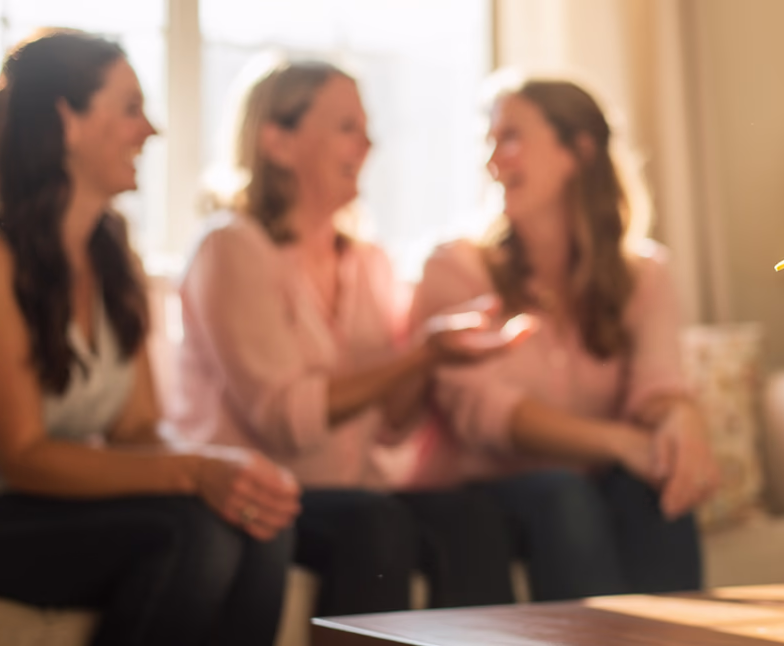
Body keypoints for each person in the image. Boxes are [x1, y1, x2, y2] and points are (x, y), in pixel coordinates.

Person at [0, 29, 297, 646]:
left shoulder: (115, 256)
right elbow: (22, 454)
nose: (152, 131)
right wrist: (194, 472)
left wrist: (225, 474)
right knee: (187, 531)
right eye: (131, 109)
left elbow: (136, 430)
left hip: (21, 507)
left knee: (255, 523)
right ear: (68, 120)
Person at [171, 58, 524, 615]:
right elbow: (285, 419)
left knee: (470, 516)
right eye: (347, 127)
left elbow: (388, 425)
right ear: (278, 142)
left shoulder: (370, 261)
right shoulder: (230, 249)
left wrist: (438, 358)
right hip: (265, 495)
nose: (368, 145)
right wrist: (421, 354)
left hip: (356, 492)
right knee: (373, 521)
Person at [401, 77, 719, 601]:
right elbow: (484, 412)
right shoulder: (456, 266)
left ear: (578, 151)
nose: (491, 162)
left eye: (510, 138)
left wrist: (682, 421)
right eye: (488, 142)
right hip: (481, 493)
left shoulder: (645, 273)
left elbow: (657, 383)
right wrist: (620, 442)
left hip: (594, 489)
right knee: (565, 494)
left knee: (651, 482)